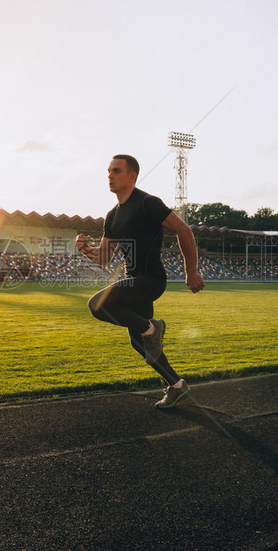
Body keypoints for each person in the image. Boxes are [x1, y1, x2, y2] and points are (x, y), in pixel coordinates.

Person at [75, 154, 204, 409]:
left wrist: (191, 272)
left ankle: (153, 328)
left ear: (131, 176)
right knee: (139, 342)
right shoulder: (112, 216)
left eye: (116, 171)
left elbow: (184, 230)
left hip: (152, 279)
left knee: (97, 305)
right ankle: (177, 385)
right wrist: (85, 249)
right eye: (109, 171)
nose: (110, 175)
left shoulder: (148, 203)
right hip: (133, 280)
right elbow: (103, 258)